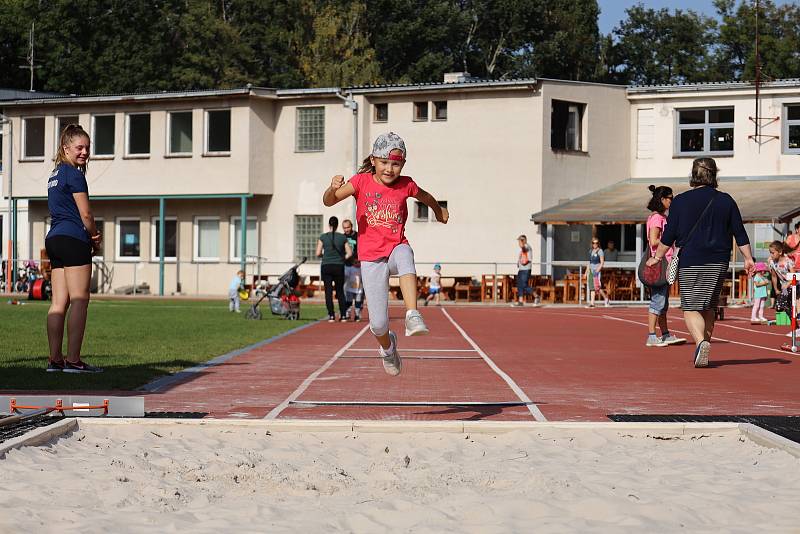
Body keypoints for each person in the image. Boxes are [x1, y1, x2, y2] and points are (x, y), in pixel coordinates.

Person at [322, 132, 448, 376]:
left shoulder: (406, 184)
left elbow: (427, 197)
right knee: (378, 325)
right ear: (373, 160)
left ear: (403, 164)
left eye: (396, 164)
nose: (390, 169)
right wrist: (331, 188)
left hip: (394, 247)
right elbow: (329, 202)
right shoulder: (360, 182)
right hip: (371, 258)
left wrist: (438, 210)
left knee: (405, 254)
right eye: (384, 162)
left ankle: (413, 314)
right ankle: (388, 349)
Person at [648, 158, 755, 368]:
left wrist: (658, 256)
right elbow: (739, 232)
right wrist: (749, 258)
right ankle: (703, 347)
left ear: (693, 174)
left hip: (691, 259)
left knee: (690, 306)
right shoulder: (726, 200)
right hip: (719, 260)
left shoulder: (680, 201)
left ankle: (701, 342)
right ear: (714, 174)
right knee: (709, 305)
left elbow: (669, 235)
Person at [44, 124, 103, 373]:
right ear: (65, 148)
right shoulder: (75, 175)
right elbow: (86, 214)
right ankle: (74, 361)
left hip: (54, 240)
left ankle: (55, 360)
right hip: (73, 239)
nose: (84, 152)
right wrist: (95, 237)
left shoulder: (54, 175)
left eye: (87, 147)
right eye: (79, 147)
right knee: (80, 300)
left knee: (59, 303)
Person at [644, 185, 685, 347]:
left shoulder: (661, 217)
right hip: (659, 264)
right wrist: (668, 241)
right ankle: (652, 336)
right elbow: (653, 241)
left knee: (663, 303)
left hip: (664, 264)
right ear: (662, 199)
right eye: (671, 198)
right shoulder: (657, 219)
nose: (672, 201)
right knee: (658, 301)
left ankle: (665, 334)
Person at [316, 216, 353, 322]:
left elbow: (318, 253)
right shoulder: (342, 237)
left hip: (326, 266)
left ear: (329, 225)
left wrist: (325, 257)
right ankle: (343, 315)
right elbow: (349, 253)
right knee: (340, 291)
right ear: (337, 225)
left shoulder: (323, 237)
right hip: (338, 266)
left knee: (328, 292)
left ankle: (331, 315)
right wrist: (342, 259)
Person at [767, 240, 798, 336]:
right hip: (784, 287)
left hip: (793, 284)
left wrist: (788, 284)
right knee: (785, 307)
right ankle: (796, 327)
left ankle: (796, 324)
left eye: (773, 253)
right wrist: (776, 288)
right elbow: (774, 276)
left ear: (780, 252)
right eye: (770, 253)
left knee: (780, 304)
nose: (771, 255)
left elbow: (794, 276)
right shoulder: (772, 262)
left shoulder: (788, 261)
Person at [342, 219, 363, 321]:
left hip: (356, 266)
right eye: (344, 228)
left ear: (351, 226)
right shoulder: (342, 237)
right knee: (347, 290)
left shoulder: (357, 236)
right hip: (346, 266)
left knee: (358, 290)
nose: (346, 230)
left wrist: (359, 260)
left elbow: (362, 248)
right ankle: (347, 311)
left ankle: (358, 312)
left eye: (348, 227)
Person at [513, 235, 539, 306]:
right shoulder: (523, 248)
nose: (518, 242)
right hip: (521, 269)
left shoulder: (527, 246)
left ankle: (536, 296)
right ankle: (520, 301)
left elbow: (525, 250)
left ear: (523, 241)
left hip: (526, 269)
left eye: (520, 241)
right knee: (519, 285)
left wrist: (522, 245)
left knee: (524, 284)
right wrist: (518, 262)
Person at [586, 238, 610, 307]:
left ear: (598, 243)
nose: (595, 244)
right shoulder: (590, 251)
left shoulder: (600, 251)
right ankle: (592, 303)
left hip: (596, 271)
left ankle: (606, 298)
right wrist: (586, 272)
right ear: (592, 244)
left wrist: (597, 270)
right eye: (593, 243)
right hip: (590, 271)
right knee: (592, 287)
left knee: (597, 287)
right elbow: (589, 262)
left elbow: (602, 262)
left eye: (596, 243)